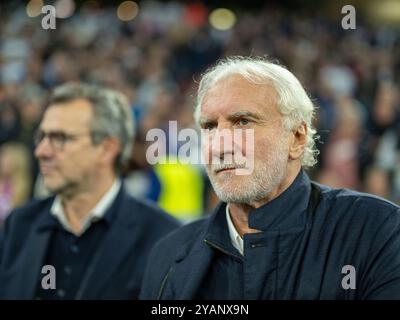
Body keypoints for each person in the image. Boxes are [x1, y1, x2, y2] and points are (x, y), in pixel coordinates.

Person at [139, 56, 400, 300]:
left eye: (242, 122)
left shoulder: (376, 230)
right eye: (209, 127)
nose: (220, 146)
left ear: (297, 138)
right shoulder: (168, 256)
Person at [0, 83, 180, 299]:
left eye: (60, 138)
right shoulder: (20, 224)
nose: (41, 151)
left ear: (106, 149)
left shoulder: (163, 239)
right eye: (42, 137)